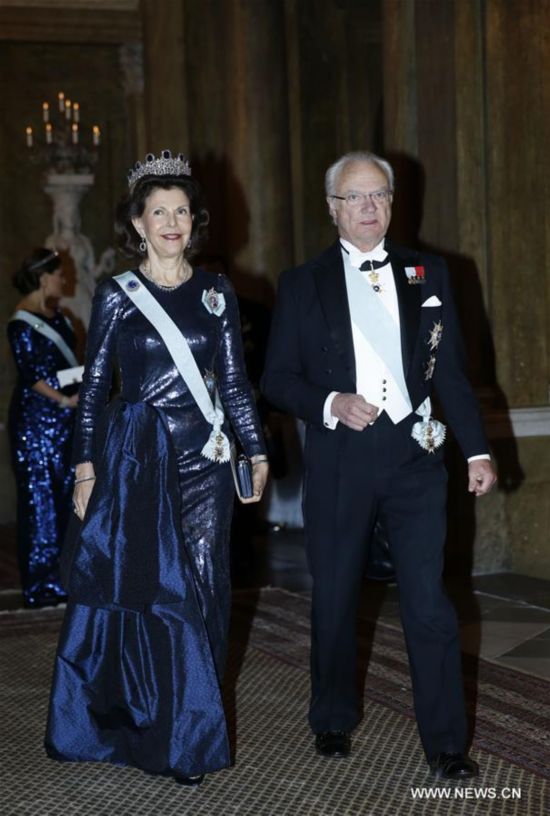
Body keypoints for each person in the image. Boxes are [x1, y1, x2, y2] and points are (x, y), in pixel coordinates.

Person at [261, 151, 497, 780]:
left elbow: (451, 371)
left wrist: (476, 449)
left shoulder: (431, 272)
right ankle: (333, 717)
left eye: (379, 196)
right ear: (333, 208)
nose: (369, 208)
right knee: (336, 598)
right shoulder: (301, 283)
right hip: (341, 460)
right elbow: (277, 379)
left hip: (417, 457)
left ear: (393, 202)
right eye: (355, 197)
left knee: (428, 603)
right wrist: (330, 402)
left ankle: (446, 742)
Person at [45, 151, 269, 787]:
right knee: (149, 597)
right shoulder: (118, 294)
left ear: (192, 221)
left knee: (205, 591)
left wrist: (254, 451)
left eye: (181, 212)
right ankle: (146, 719)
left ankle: (193, 730)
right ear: (138, 224)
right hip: (140, 463)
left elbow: (234, 382)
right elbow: (92, 390)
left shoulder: (218, 293)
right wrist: (85, 467)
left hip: (205, 463)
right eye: (158, 212)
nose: (171, 222)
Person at [7, 248, 79, 608]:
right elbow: (32, 375)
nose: (64, 280)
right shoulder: (22, 321)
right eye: (58, 273)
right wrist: (65, 400)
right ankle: (41, 586)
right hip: (35, 424)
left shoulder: (60, 316)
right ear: (42, 277)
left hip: (65, 422)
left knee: (67, 495)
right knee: (40, 502)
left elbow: (67, 366)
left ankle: (65, 579)